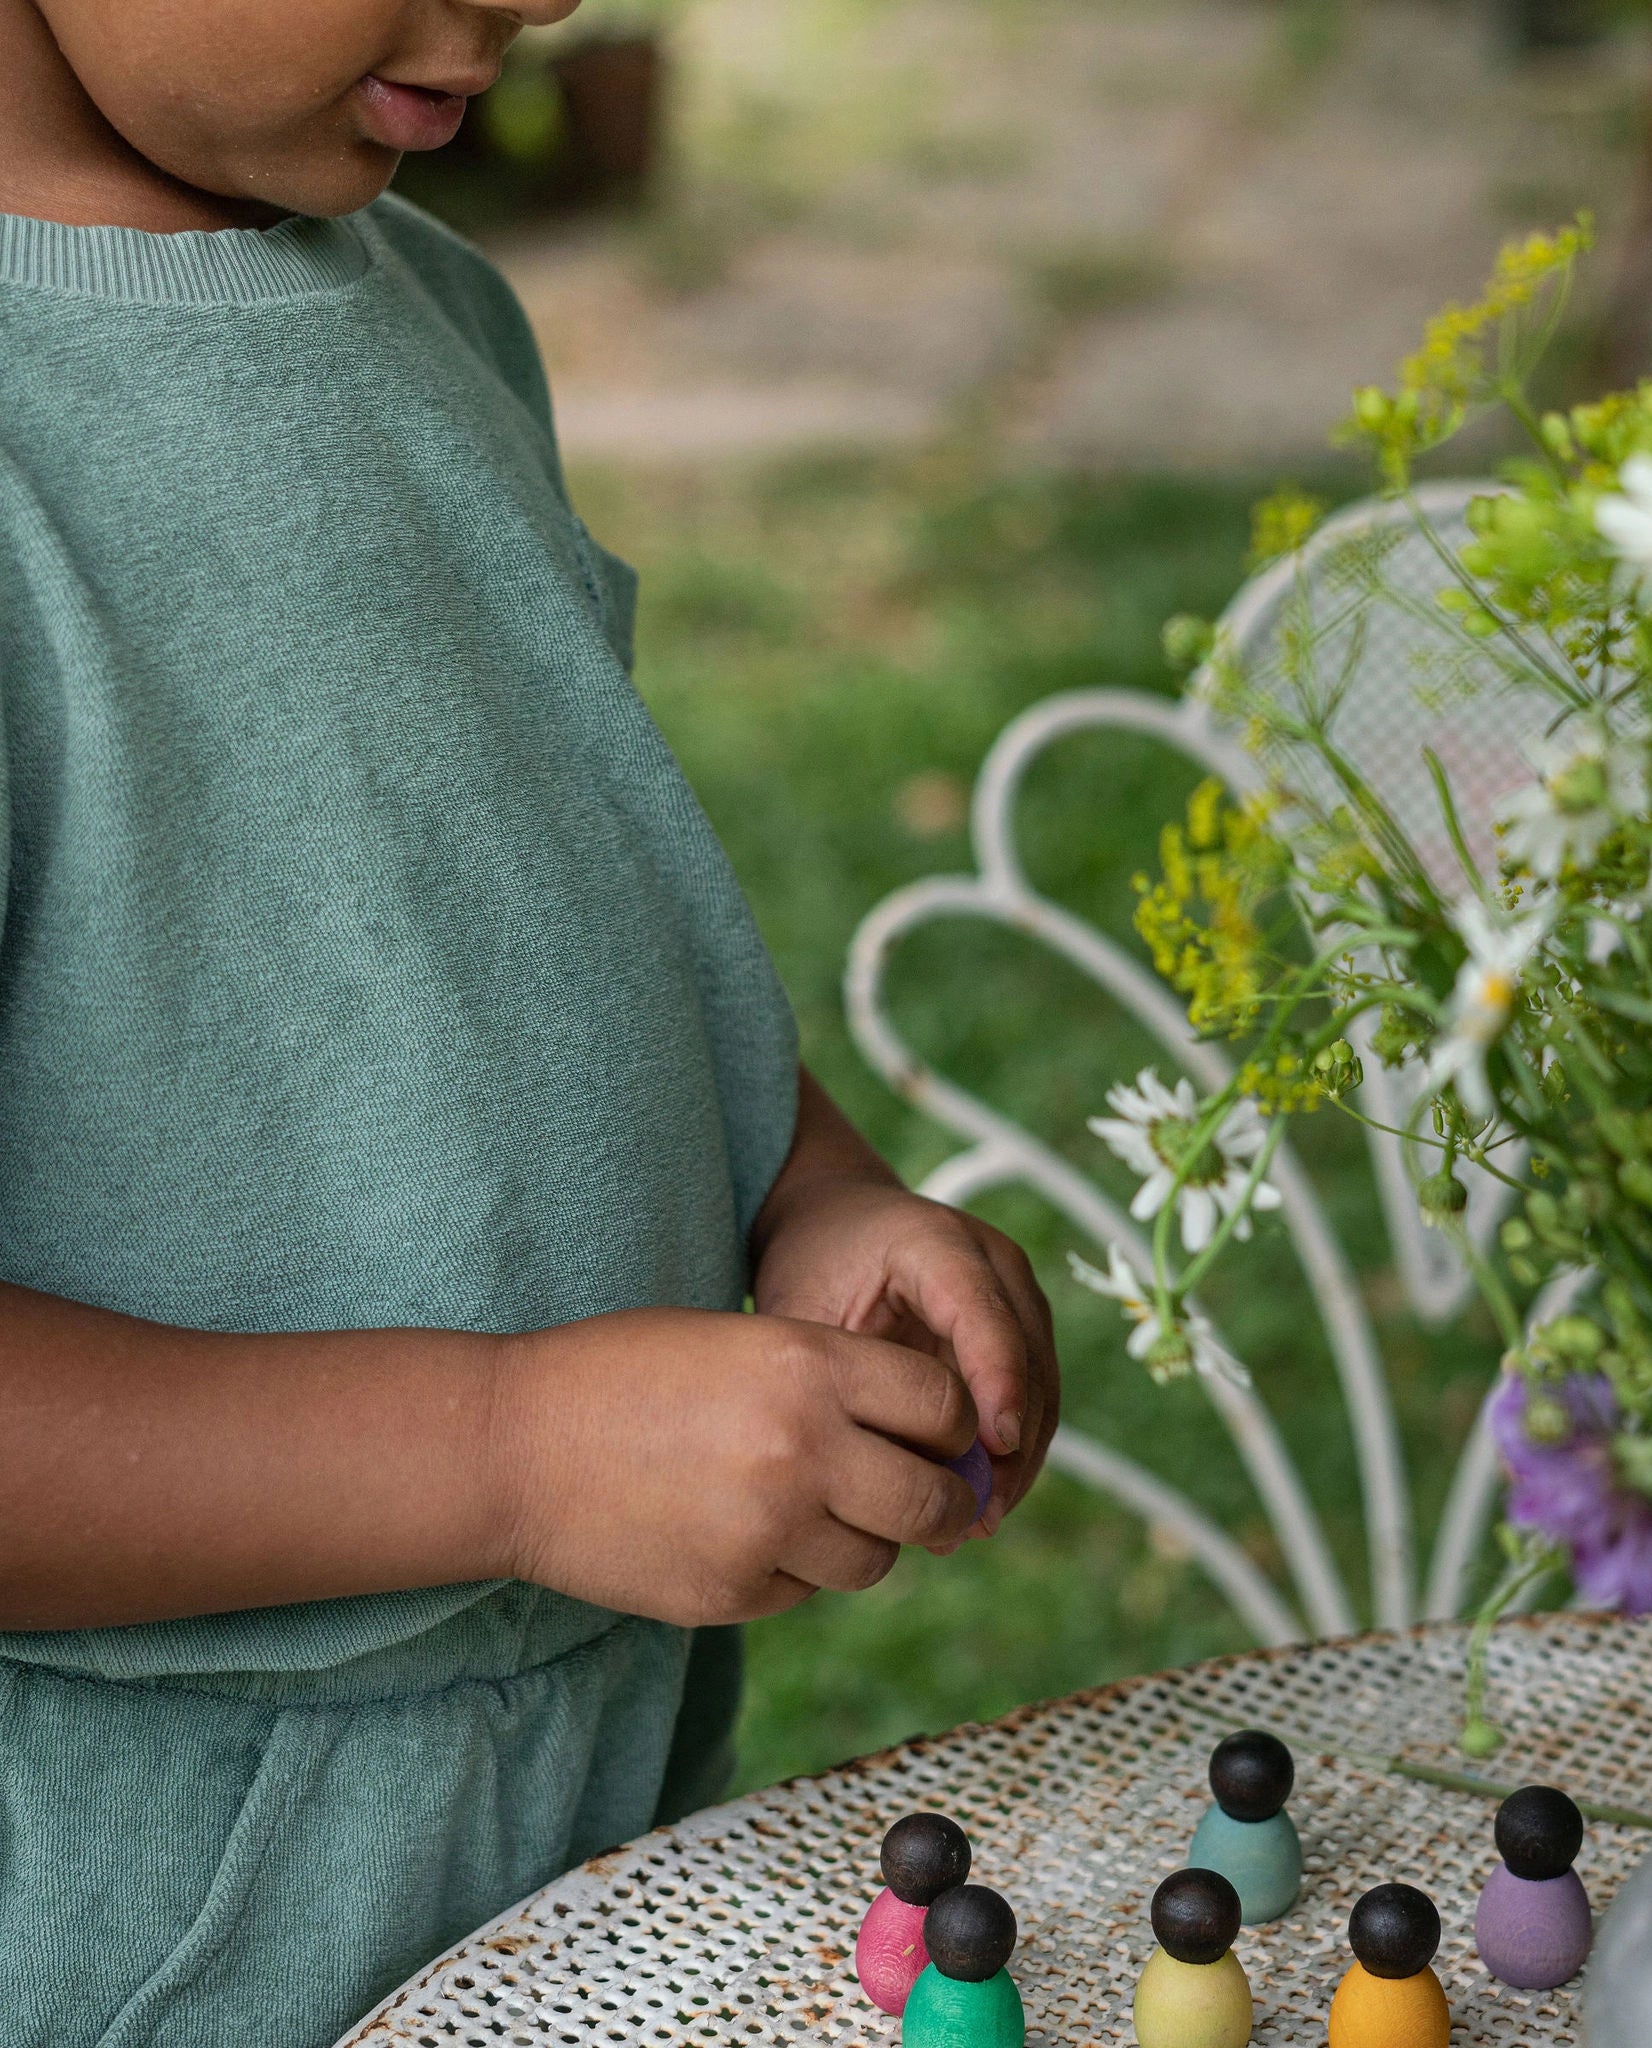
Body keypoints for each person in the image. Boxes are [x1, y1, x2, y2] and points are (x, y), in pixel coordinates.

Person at [0, 5, 1060, 2043]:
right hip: (153, 1934)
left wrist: (807, 1191)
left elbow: (527, 936)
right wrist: (509, 1449)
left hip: (570, 1825)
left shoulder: (439, 317)